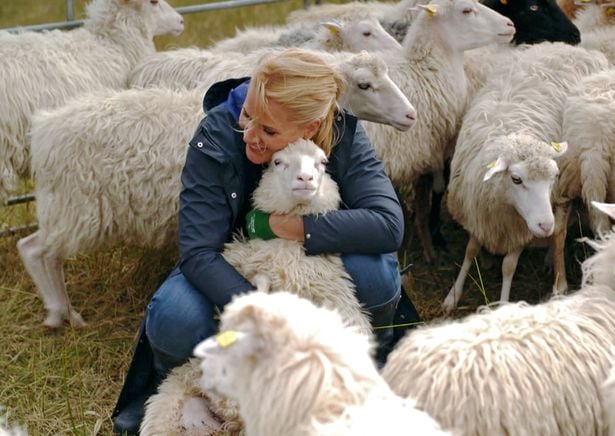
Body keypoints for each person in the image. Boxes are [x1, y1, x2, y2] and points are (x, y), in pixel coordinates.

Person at [111, 48, 404, 434]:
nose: (249, 134)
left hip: (315, 263)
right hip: (235, 266)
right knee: (174, 314)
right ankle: (188, 393)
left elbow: (387, 223)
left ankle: (366, 370)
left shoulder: (340, 130)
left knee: (375, 272)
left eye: (268, 131)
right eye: (248, 115)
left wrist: (289, 227)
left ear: (311, 128)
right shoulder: (218, 132)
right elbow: (198, 252)